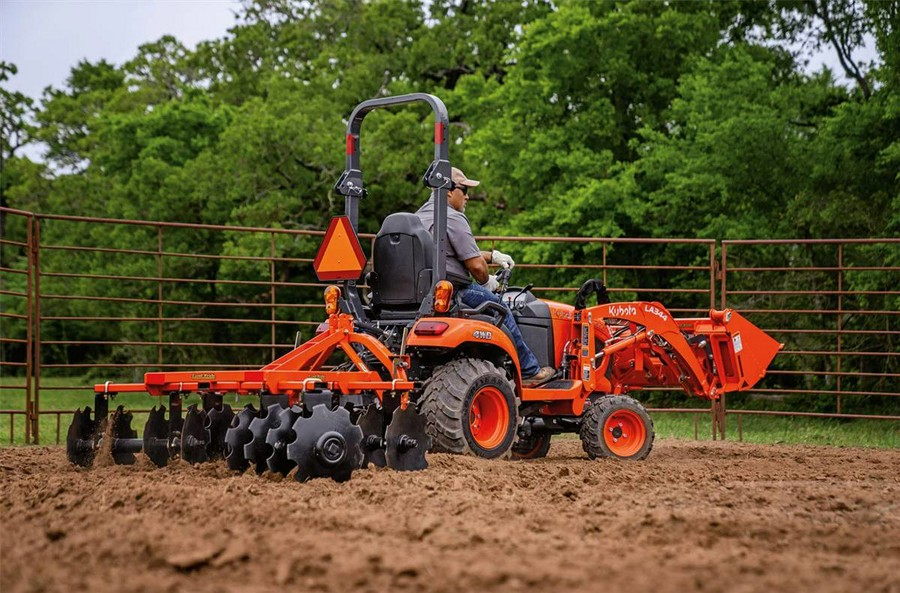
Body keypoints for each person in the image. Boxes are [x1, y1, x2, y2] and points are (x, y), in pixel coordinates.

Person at [416, 167, 555, 387]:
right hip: (455, 291)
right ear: (449, 191)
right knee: (501, 308)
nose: (468, 196)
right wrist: (487, 281)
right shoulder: (452, 217)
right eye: (464, 189)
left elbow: (449, 254)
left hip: (423, 293)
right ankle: (529, 371)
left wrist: (492, 256)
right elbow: (476, 267)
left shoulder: (420, 216)